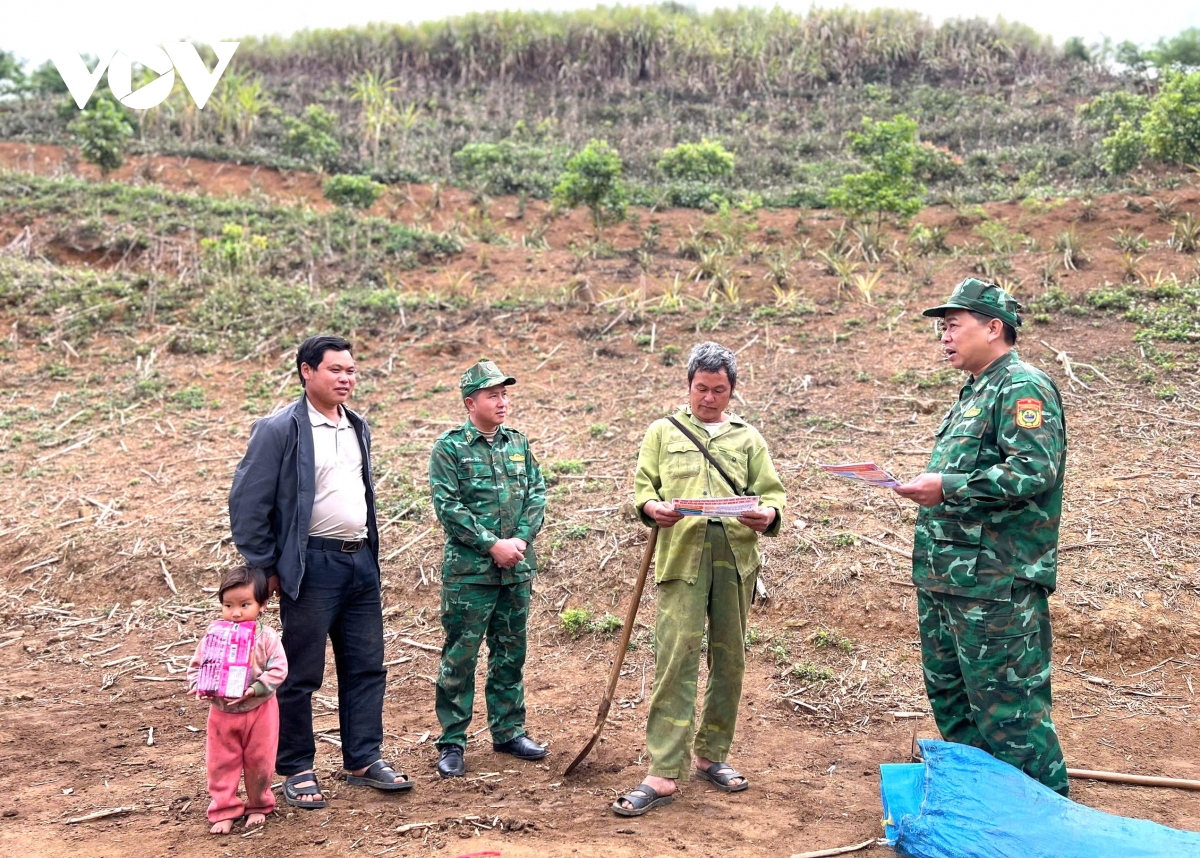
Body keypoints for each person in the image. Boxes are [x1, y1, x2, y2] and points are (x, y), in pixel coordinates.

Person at [893, 278, 1069, 796]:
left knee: (1010, 714)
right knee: (956, 706)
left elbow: (1034, 470)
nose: (944, 337)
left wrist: (947, 486)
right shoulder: (976, 391)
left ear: (994, 328)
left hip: (996, 584)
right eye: (942, 329)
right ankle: (984, 810)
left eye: (953, 326)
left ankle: (1042, 821)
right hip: (949, 578)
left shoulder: (1021, 386)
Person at [228, 334, 412, 809]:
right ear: (307, 372)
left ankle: (363, 760)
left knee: (366, 665)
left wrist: (369, 556)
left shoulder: (357, 425)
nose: (345, 378)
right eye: (335, 370)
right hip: (311, 564)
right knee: (300, 672)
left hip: (360, 561)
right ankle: (296, 767)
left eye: (351, 370)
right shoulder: (279, 429)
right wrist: (266, 566)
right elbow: (248, 503)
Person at [614, 341, 786, 817]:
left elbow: (773, 496)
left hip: (735, 559)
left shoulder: (748, 438)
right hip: (681, 558)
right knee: (676, 658)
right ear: (688, 385)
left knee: (730, 660)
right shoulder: (662, 432)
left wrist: (768, 514)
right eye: (701, 388)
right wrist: (653, 508)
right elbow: (643, 490)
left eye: (719, 390)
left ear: (733, 391)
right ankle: (664, 770)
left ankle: (712, 755)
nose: (709, 398)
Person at [428, 358, 548, 778]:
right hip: (470, 575)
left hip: (516, 569)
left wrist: (520, 540)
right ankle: (452, 741)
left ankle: (509, 730)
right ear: (470, 402)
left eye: (504, 394)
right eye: (492, 395)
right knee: (460, 657)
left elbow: (536, 494)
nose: (502, 402)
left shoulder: (518, 444)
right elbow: (448, 507)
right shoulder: (449, 448)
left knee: (510, 653)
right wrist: (492, 545)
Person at [187, 566, 288, 835]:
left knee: (260, 760)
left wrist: (256, 689)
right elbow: (197, 665)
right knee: (221, 762)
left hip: (260, 710)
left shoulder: (267, 637)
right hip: (222, 711)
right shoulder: (214, 636)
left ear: (262, 605)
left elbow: (279, 669)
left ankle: (259, 805)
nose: (235, 613)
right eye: (228, 605)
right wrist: (198, 684)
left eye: (245, 605)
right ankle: (224, 809)